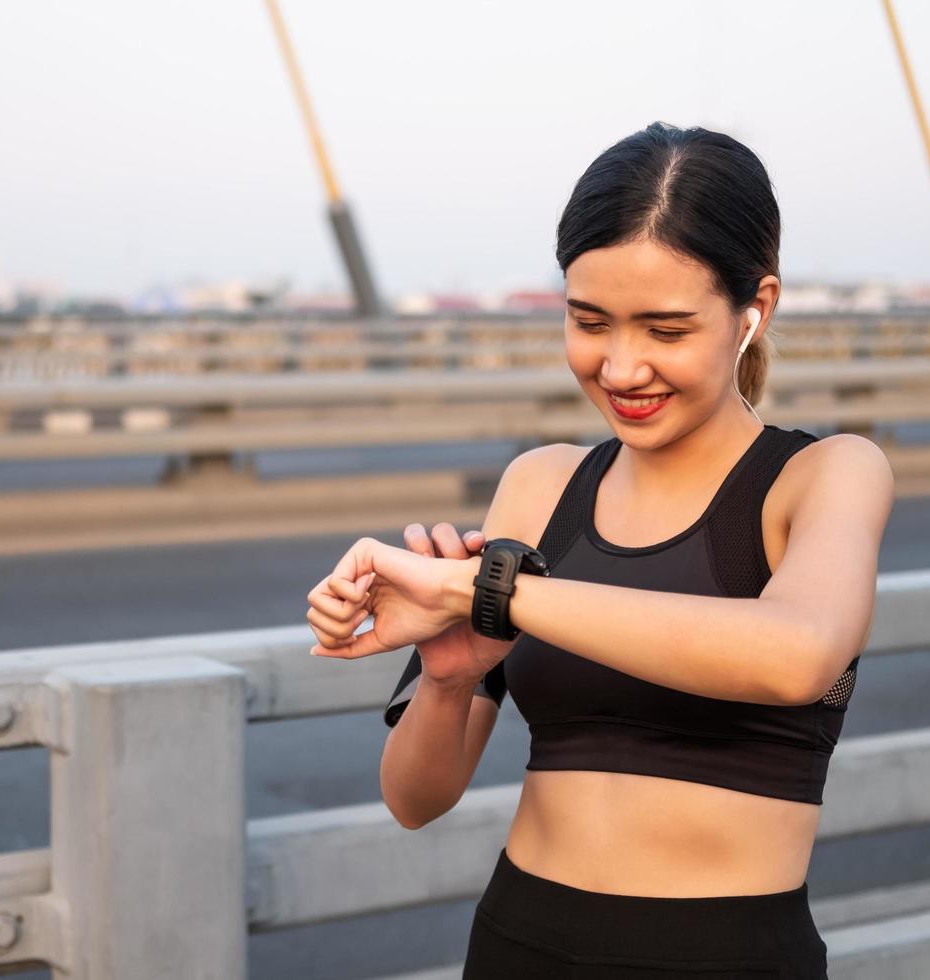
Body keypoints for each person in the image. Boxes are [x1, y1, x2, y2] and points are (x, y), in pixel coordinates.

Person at [305, 121, 894, 979]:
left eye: (665, 330)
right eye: (590, 322)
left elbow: (795, 655)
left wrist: (492, 592)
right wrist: (450, 671)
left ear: (754, 309)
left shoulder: (825, 475)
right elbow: (414, 801)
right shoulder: (541, 486)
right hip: (519, 942)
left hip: (723, 958)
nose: (620, 368)